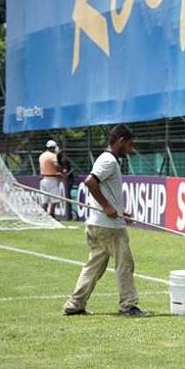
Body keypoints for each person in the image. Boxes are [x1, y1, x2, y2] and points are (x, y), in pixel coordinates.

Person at [62, 125, 148, 318]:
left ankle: (74, 304)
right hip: (108, 226)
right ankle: (129, 305)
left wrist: (119, 210)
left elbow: (102, 188)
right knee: (125, 264)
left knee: (94, 267)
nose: (131, 149)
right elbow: (90, 182)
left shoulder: (108, 160)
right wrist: (108, 208)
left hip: (97, 223)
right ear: (121, 141)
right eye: (129, 144)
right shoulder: (108, 160)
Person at [38, 139, 65, 219]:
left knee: (45, 199)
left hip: (43, 179)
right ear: (53, 147)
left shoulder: (42, 155)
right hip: (51, 180)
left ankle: (43, 216)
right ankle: (52, 215)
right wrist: (61, 171)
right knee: (55, 199)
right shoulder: (52, 156)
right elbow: (56, 165)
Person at [57, 149, 76, 220]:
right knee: (66, 197)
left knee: (67, 197)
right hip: (66, 179)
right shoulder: (59, 159)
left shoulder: (63, 160)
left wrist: (65, 176)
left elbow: (66, 170)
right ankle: (68, 215)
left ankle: (69, 215)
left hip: (68, 180)